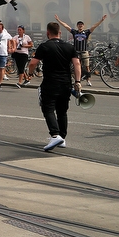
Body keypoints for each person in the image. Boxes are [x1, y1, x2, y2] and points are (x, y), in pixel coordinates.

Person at [28, 21, 82, 151]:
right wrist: (78, 81)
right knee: (62, 111)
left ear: (47, 33)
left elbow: (33, 63)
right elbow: (77, 64)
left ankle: (55, 134)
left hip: (50, 83)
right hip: (66, 83)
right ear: (60, 33)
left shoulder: (44, 46)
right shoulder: (69, 47)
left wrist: (30, 73)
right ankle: (62, 138)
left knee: (48, 109)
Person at [55, 14, 107, 86]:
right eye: (79, 25)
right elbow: (66, 26)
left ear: (83, 26)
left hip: (84, 51)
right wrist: (58, 20)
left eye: (81, 25)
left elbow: (94, 26)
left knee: (87, 66)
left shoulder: (86, 32)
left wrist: (101, 20)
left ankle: (88, 80)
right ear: (77, 26)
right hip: (76, 52)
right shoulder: (74, 32)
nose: (80, 26)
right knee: (77, 66)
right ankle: (77, 80)